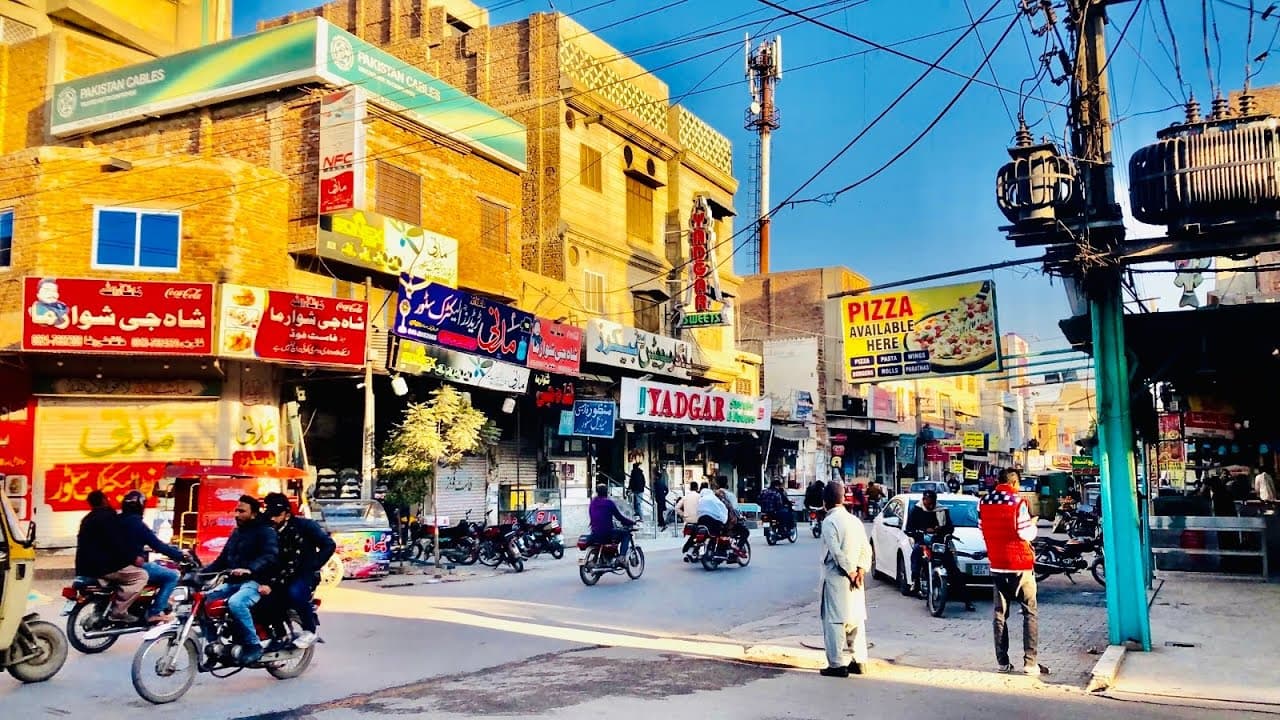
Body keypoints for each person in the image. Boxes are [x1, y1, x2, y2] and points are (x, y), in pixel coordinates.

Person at [979, 469, 1046, 676]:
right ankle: (1030, 663)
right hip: (1020, 566)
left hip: (997, 565)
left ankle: (1002, 662)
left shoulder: (984, 503)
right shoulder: (1017, 503)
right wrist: (1033, 525)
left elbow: (982, 529)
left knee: (1000, 614)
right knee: (1029, 612)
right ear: (1015, 483)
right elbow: (1026, 533)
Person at [203, 495, 279, 665]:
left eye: (241, 511)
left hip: (256, 581)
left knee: (236, 603)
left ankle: (253, 645)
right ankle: (215, 647)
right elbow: (221, 560)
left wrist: (250, 569)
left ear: (253, 514)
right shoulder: (237, 533)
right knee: (203, 602)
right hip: (233, 582)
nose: (237, 514)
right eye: (236, 510)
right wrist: (199, 573)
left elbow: (270, 556)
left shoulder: (266, 531)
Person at [262, 493, 335, 649]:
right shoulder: (268, 528)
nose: (273, 519)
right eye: (270, 515)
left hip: (304, 574)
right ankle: (278, 635)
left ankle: (309, 630)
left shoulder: (306, 526)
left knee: (294, 592)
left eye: (277, 515)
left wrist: (313, 564)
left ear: (287, 514)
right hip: (279, 574)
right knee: (263, 598)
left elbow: (328, 545)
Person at [818, 480, 872, 677]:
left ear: (825, 501)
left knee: (834, 621)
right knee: (856, 620)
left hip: (838, 577)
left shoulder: (829, 522)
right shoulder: (855, 521)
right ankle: (860, 661)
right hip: (856, 580)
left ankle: (837, 664)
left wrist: (850, 572)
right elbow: (867, 550)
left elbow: (836, 551)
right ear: (842, 499)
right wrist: (860, 571)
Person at [75, 491, 148, 623]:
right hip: (103, 567)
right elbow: (117, 543)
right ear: (104, 500)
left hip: (85, 567)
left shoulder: (87, 519)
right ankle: (119, 611)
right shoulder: (108, 517)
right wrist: (133, 558)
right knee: (141, 575)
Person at [119, 490, 187, 623]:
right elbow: (158, 546)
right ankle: (154, 613)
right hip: (130, 565)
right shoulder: (137, 524)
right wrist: (179, 556)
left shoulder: (117, 521)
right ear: (140, 506)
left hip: (114, 564)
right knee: (172, 575)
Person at [587, 483, 636, 561]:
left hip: (594, 532)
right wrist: (631, 522)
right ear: (606, 493)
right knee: (626, 534)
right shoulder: (609, 503)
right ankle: (622, 557)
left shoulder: (593, 503)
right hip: (607, 532)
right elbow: (619, 517)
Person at [684, 485, 729, 559]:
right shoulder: (714, 499)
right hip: (713, 520)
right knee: (719, 533)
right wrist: (723, 520)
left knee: (698, 533)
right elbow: (722, 511)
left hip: (701, 520)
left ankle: (692, 551)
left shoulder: (701, 500)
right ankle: (720, 551)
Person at [653, 466, 670, 531]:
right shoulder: (662, 482)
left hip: (659, 498)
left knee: (659, 511)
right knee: (661, 511)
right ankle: (661, 522)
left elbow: (655, 491)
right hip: (662, 498)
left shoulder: (656, 483)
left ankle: (661, 523)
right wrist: (664, 495)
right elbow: (667, 490)